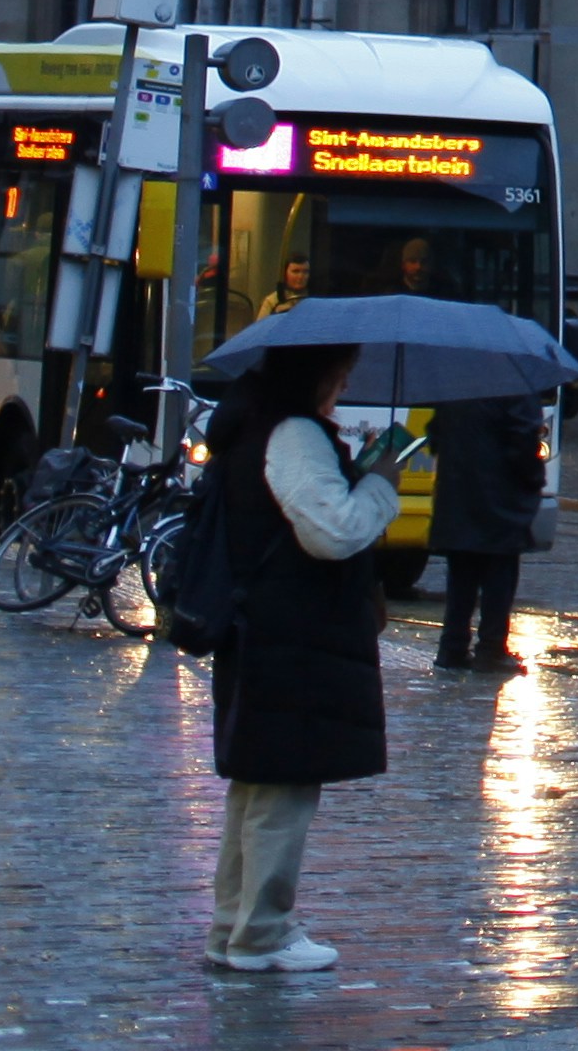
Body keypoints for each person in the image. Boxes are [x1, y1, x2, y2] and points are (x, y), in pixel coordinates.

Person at [202, 341, 413, 977]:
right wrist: (381, 486)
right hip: (290, 634)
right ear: (314, 375)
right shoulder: (292, 434)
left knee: (259, 784)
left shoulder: (255, 425)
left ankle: (233, 926)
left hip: (270, 630)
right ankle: (262, 933)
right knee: (281, 788)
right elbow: (332, 532)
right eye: (340, 378)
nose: (342, 391)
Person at [425, 386, 551, 673]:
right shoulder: (515, 384)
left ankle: (452, 647)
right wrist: (534, 478)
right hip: (499, 495)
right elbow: (523, 438)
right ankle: (491, 649)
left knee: (462, 572)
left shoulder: (458, 383)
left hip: (458, 490)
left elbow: (435, 433)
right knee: (499, 571)